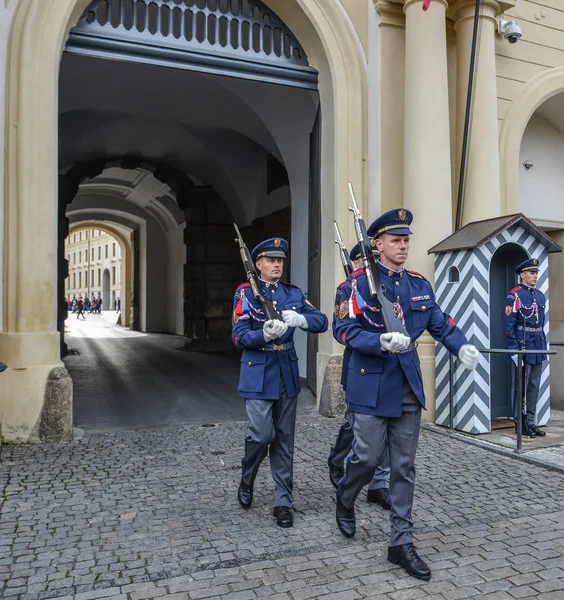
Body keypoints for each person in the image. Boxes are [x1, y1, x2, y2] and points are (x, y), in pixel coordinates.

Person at [333, 209, 479, 581]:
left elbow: (441, 322)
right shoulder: (356, 285)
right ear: (377, 244)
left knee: (403, 467)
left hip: (407, 386)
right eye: (395, 240)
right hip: (369, 383)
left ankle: (401, 542)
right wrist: (378, 340)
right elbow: (343, 330)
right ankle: (346, 497)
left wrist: (460, 346)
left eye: (406, 240)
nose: (403, 246)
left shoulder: (418, 284)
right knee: (365, 459)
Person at [232, 237, 328, 528]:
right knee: (261, 435)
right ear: (258, 264)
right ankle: (247, 477)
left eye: (280, 260)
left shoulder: (293, 293)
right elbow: (238, 336)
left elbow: (321, 321)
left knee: (284, 439)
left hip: (286, 370)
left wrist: (301, 320)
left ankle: (283, 500)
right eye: (271, 260)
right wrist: (265, 335)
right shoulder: (246, 294)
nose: (277, 264)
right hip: (258, 371)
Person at [328, 243, 391, 510]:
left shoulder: (386, 284)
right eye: (365, 260)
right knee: (354, 423)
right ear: (354, 264)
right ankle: (337, 458)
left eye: (376, 259)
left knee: (386, 427)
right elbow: (344, 329)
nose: (370, 264)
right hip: (360, 367)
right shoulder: (350, 290)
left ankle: (379, 485)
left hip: (389, 368)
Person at [503, 258, 547, 439]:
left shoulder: (539, 295)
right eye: (531, 273)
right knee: (520, 386)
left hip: (537, 343)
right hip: (523, 344)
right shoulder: (515, 295)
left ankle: (531, 422)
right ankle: (519, 423)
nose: (535, 276)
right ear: (522, 275)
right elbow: (508, 326)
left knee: (534, 385)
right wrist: (514, 351)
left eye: (536, 273)